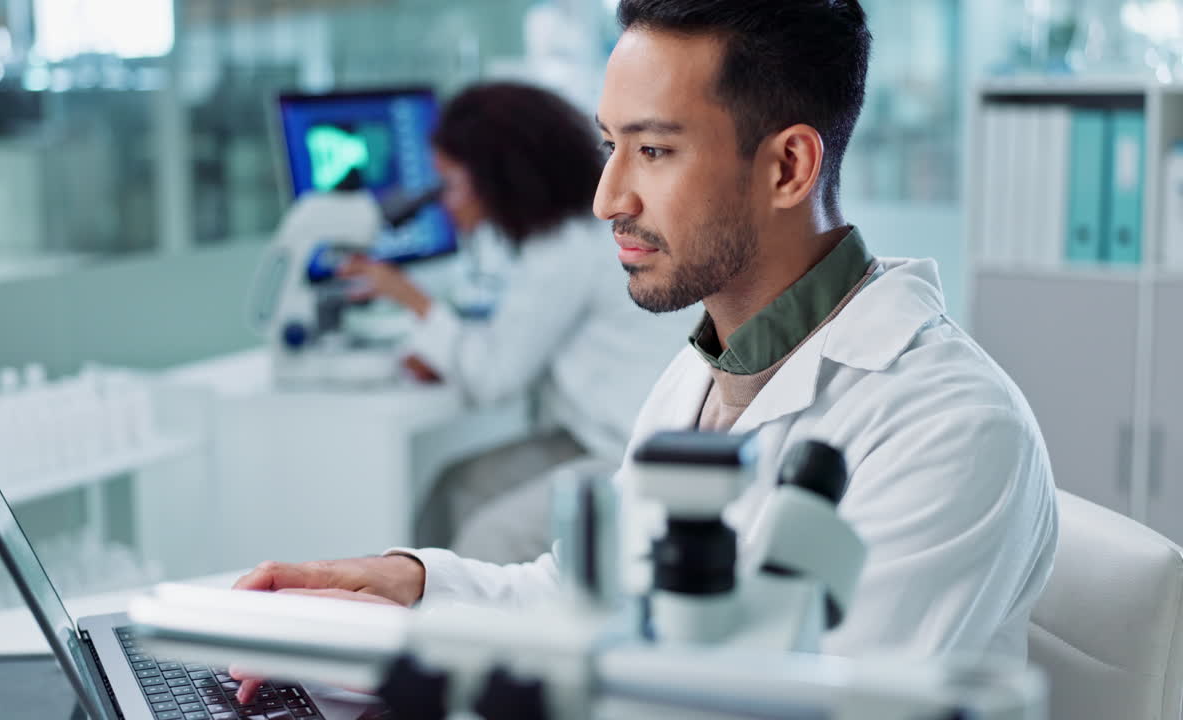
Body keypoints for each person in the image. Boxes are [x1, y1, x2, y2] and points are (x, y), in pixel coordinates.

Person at [232, 0, 1058, 702]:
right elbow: (584, 597)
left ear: (788, 167)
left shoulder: (952, 429)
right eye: (609, 145)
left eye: (654, 150)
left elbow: (801, 711)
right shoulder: (708, 366)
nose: (606, 198)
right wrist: (411, 584)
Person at [338, 82, 694, 564]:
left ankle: (465, 636)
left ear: (496, 179)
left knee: (492, 535)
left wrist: (408, 297)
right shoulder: (569, 234)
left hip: (628, 452)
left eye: (451, 184)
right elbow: (512, 340)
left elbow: (492, 378)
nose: (444, 201)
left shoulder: (565, 249)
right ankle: (417, 617)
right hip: (597, 434)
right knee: (456, 488)